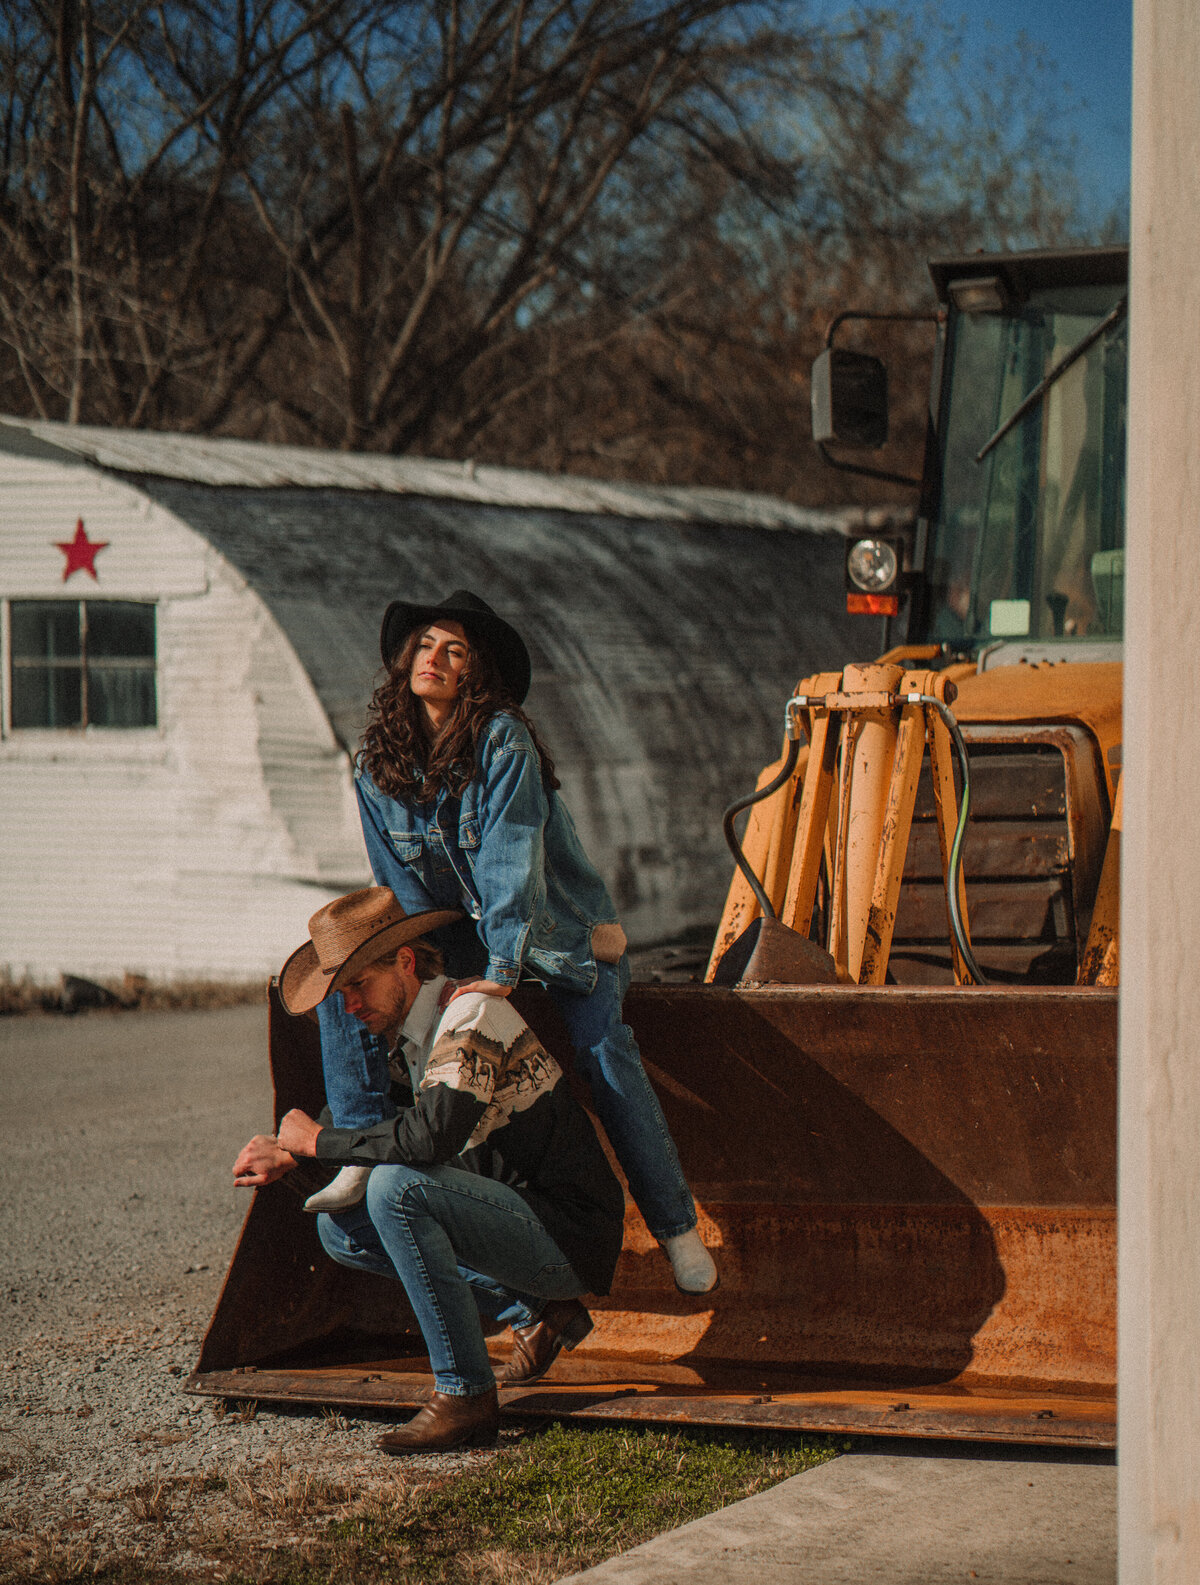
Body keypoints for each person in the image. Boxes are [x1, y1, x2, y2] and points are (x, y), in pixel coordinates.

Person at [308, 588, 717, 1295]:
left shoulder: (502, 740)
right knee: (339, 986)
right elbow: (398, 888)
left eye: (455, 650)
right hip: (463, 942)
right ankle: (363, 1144)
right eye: (426, 644)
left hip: (555, 934)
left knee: (603, 1051)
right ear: (407, 659)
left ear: (475, 673)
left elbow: (511, 861)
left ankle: (676, 1227)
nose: (434, 657)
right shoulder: (376, 766)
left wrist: (501, 968)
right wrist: (411, 967)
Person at [232, 886, 626, 1453]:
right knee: (341, 1230)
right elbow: (379, 1114)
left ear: (406, 963)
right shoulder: (408, 1035)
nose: (350, 1006)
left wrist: (318, 1143)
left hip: (566, 1232)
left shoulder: (470, 1016)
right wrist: (291, 1149)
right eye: (340, 994)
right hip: (509, 1224)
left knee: (396, 1187)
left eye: (358, 986)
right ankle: (535, 1312)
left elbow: (429, 1138)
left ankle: (465, 1393)